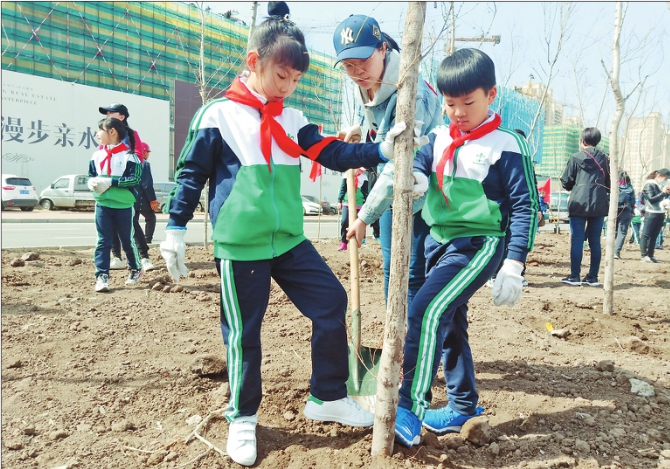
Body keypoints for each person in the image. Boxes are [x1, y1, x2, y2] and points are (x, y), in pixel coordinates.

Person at [157, 3, 407, 466]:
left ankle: (327, 396)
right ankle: (243, 417)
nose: (288, 87)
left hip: (289, 241)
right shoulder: (219, 117)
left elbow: (331, 152)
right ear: (254, 62)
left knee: (331, 304)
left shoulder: (292, 120)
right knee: (244, 333)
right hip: (241, 245)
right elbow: (191, 174)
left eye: (295, 80)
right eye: (281, 76)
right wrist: (174, 227)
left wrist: (380, 150)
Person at [383, 48, 538, 447]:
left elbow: (525, 207)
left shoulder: (507, 144)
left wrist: (514, 263)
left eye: (468, 103)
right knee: (449, 321)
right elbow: (418, 157)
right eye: (450, 104)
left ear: (491, 95)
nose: (458, 112)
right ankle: (463, 406)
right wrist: (416, 172)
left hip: (479, 244)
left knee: (427, 310)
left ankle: (408, 407)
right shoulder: (438, 137)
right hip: (439, 242)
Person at [334, 13, 442, 305]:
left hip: (419, 186)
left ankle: (413, 342)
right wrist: (358, 130)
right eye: (348, 66)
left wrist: (363, 217)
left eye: (362, 62)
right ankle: (392, 340)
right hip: (387, 188)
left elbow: (400, 163)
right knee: (390, 269)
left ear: (382, 49)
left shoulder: (410, 94)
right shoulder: (365, 81)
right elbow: (371, 118)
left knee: (410, 271)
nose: (357, 72)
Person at [88, 117, 143, 292]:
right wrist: (93, 183)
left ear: (112, 132)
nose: (97, 135)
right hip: (103, 204)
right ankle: (102, 276)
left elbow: (135, 179)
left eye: (99, 130)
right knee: (103, 241)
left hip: (124, 206)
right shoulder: (97, 155)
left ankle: (135, 269)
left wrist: (112, 182)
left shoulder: (129, 156)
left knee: (127, 240)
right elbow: (91, 175)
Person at [559, 127, 611, 286]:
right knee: (595, 241)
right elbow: (609, 182)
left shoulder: (575, 157)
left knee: (577, 240)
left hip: (578, 203)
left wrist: (574, 187)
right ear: (598, 141)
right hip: (599, 203)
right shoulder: (606, 158)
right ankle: (592, 277)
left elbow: (566, 181)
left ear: (582, 141)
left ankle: (574, 276)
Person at [99, 103, 145, 270]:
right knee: (109, 224)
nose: (108, 115)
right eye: (107, 113)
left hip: (126, 186)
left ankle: (143, 257)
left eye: (111, 112)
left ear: (122, 117)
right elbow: (101, 160)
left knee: (131, 222)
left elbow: (138, 157)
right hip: (108, 187)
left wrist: (121, 178)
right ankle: (116, 257)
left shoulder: (131, 135)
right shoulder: (104, 138)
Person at [130, 141, 158, 271]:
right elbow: (147, 184)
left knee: (133, 223)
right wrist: (152, 200)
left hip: (130, 199)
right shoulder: (144, 164)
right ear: (144, 152)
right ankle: (147, 239)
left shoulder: (129, 162)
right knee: (151, 218)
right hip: (143, 199)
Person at [639, 168, 670, 262]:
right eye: (665, 178)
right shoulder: (649, 185)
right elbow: (651, 199)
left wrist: (666, 194)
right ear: (660, 176)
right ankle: (644, 255)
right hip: (651, 213)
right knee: (646, 234)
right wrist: (663, 192)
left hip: (660, 213)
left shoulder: (660, 186)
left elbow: (662, 199)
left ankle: (651, 255)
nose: (665, 181)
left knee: (654, 235)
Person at [336, 167, 368, 251]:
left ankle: (361, 239)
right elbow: (343, 189)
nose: (361, 171)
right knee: (344, 221)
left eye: (363, 170)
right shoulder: (347, 175)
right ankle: (344, 242)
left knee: (359, 222)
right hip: (347, 202)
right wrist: (339, 201)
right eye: (360, 169)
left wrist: (366, 203)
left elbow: (365, 192)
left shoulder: (364, 178)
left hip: (359, 203)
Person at [614, 171, 636, 259]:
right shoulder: (630, 188)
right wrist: (632, 212)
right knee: (622, 232)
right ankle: (616, 252)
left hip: (614, 210)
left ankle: (610, 249)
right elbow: (633, 201)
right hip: (625, 210)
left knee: (612, 230)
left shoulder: (614, 186)